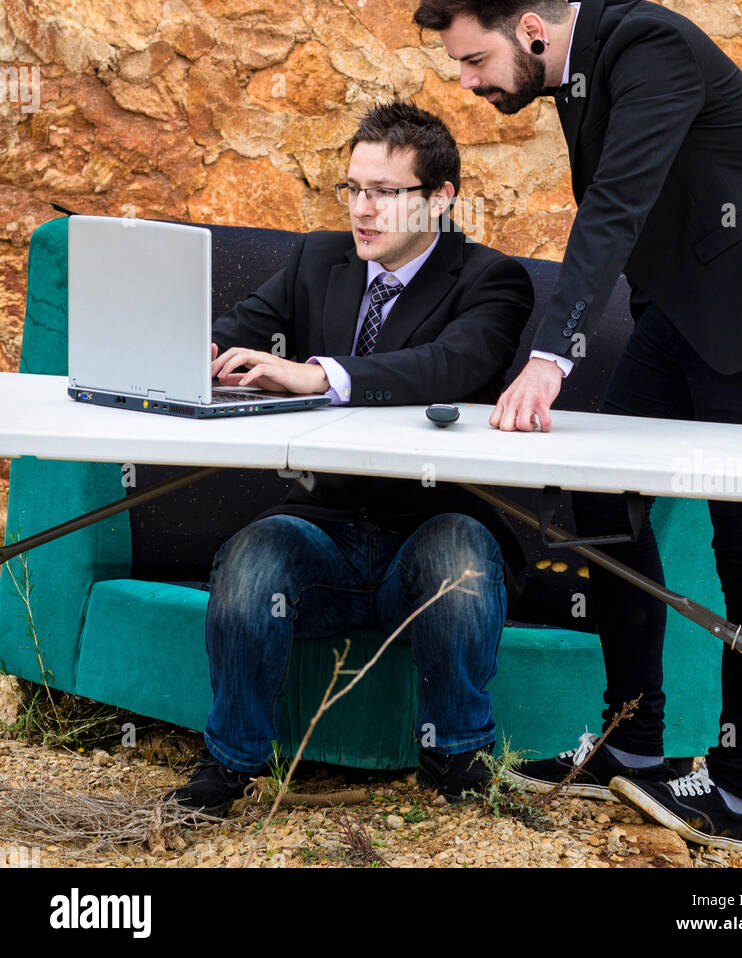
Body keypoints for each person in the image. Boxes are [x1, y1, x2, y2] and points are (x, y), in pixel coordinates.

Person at [412, 0, 742, 849]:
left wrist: (551, 356)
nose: (465, 83)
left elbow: (613, 208)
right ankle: (634, 744)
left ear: (530, 30)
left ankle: (732, 793)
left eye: (473, 59)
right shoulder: (576, 68)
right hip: (682, 316)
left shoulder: (649, 48)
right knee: (601, 492)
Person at [167, 99, 533, 816]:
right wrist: (192, 352)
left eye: (384, 194)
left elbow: (452, 365)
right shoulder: (317, 258)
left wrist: (322, 374)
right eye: (353, 189)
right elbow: (242, 326)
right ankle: (230, 763)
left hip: (430, 528)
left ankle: (456, 758)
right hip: (323, 532)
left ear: (439, 199)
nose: (362, 210)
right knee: (254, 557)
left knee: (457, 552)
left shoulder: (491, 278)